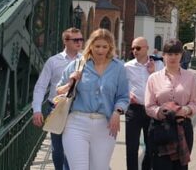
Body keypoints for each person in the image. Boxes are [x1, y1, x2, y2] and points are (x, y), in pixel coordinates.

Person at [57, 28, 129, 170]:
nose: (100, 50)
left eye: (104, 47)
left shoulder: (119, 68)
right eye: (97, 46)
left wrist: (117, 112)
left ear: (110, 48)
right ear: (90, 46)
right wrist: (70, 83)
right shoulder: (78, 65)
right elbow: (58, 90)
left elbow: (123, 96)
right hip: (76, 123)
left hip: (105, 125)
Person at [31, 27, 84, 170]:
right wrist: (37, 110)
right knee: (58, 148)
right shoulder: (53, 61)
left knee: (73, 147)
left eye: (81, 39)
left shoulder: (86, 61)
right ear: (65, 41)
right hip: (56, 108)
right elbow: (41, 86)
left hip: (78, 109)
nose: (80, 42)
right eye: (76, 40)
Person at [145, 40, 196, 170]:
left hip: (182, 127)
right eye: (169, 54)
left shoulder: (190, 77)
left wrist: (186, 110)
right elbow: (149, 106)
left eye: (176, 54)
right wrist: (162, 111)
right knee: (160, 166)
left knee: (181, 166)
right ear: (163, 55)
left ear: (181, 55)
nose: (173, 57)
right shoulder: (153, 78)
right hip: (160, 128)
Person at [124, 36, 164, 170]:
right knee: (131, 146)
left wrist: (153, 73)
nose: (135, 50)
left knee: (151, 145)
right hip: (134, 110)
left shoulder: (158, 65)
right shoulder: (127, 66)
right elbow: (122, 86)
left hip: (151, 109)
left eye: (138, 48)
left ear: (147, 48)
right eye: (133, 48)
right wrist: (128, 94)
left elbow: (163, 87)